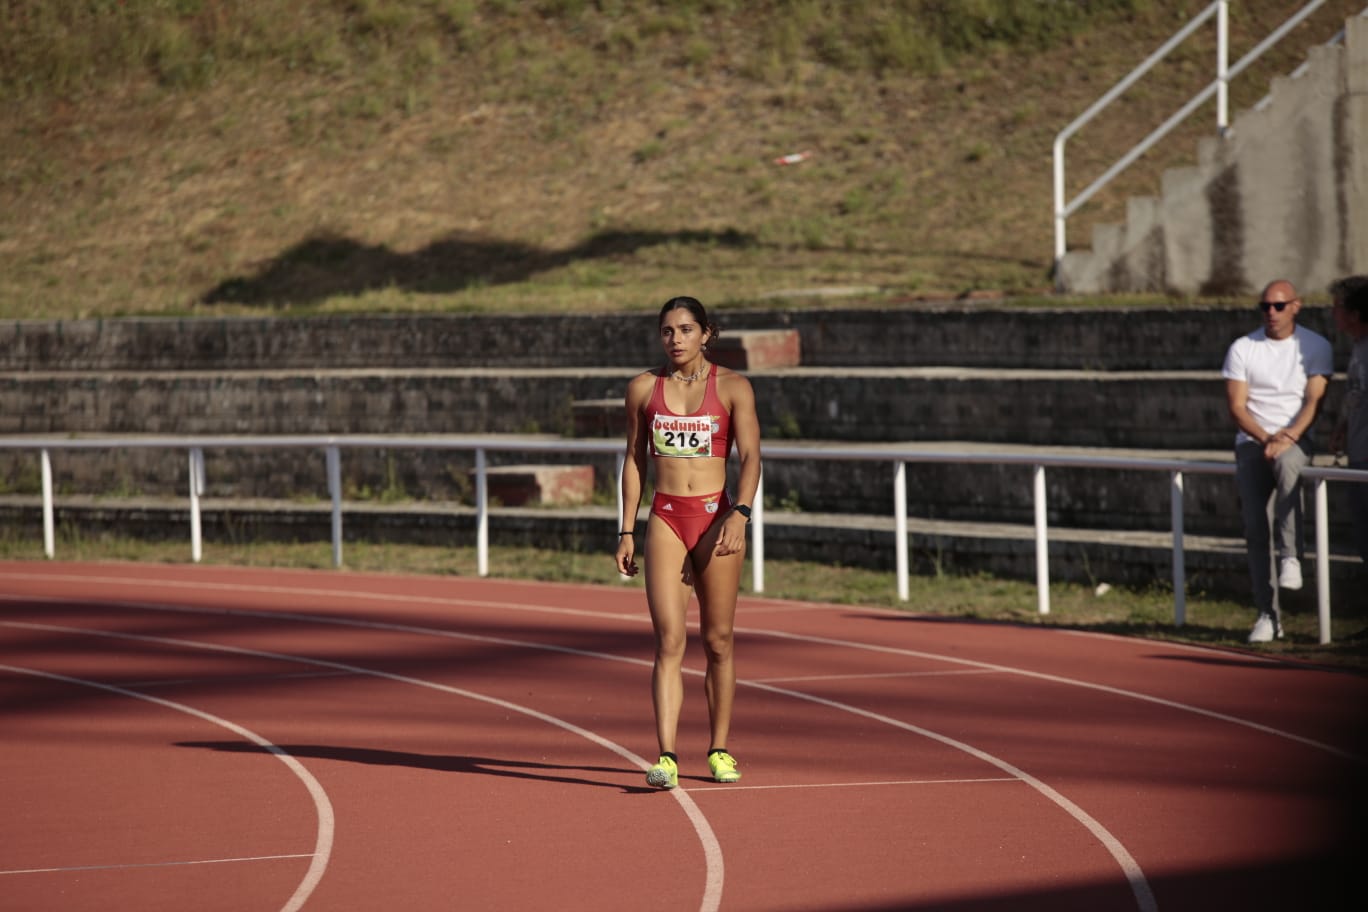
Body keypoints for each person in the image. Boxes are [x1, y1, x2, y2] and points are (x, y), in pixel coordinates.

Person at [615, 296, 761, 789]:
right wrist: (626, 528)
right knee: (668, 641)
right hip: (667, 518)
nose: (675, 340)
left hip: (717, 518)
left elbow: (753, 458)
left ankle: (719, 750)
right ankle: (667, 756)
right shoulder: (642, 388)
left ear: (706, 333)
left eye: (685, 330)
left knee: (718, 641)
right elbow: (634, 460)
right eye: (666, 331)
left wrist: (740, 513)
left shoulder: (735, 387)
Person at [1222, 278, 1334, 643]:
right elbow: (1237, 407)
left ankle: (1291, 555)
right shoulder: (1243, 348)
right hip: (1254, 441)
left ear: (1296, 306)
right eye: (1265, 306)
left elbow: (1314, 401)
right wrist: (1266, 437)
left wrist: (1288, 436)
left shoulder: (1315, 346)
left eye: (1279, 306)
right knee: (1255, 528)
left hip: (1294, 437)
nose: (1271, 313)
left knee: (1288, 465)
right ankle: (1267, 614)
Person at [1329, 275, 1368, 566]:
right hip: (1358, 454)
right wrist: (1342, 426)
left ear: (1355, 313)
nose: (1334, 314)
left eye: (1338, 307)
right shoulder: (1358, 347)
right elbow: (1355, 393)